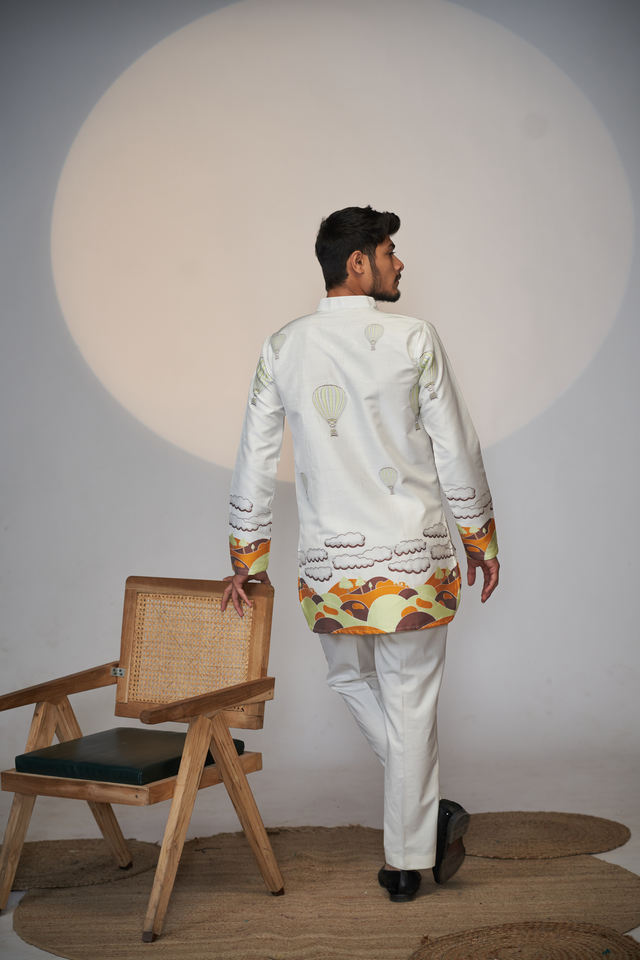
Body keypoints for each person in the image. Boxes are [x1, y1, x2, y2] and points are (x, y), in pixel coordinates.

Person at [221, 205, 499, 902]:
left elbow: (254, 459)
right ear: (357, 262)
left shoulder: (283, 347)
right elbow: (457, 448)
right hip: (414, 563)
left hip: (330, 568)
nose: (399, 263)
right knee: (410, 705)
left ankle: (416, 839)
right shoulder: (414, 339)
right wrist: (479, 538)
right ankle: (413, 849)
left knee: (350, 679)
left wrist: (247, 558)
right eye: (389, 251)